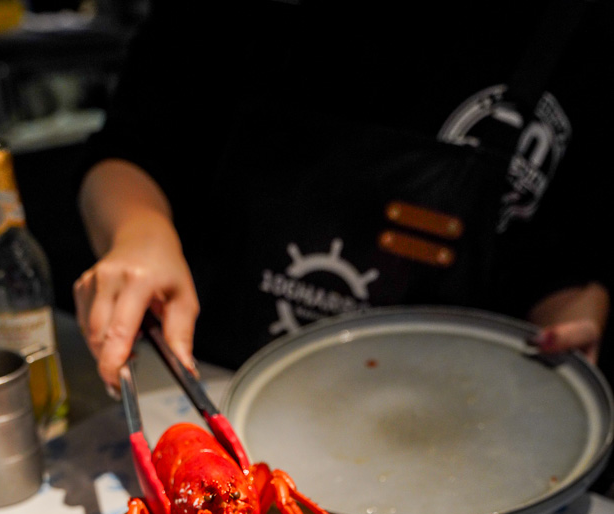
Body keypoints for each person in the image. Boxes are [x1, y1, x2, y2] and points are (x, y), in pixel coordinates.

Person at [74, 0, 611, 392]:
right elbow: (126, 150)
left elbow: (566, 255)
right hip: (214, 384)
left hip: (457, 426)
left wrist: (571, 317)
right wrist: (138, 231)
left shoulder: (576, 32)